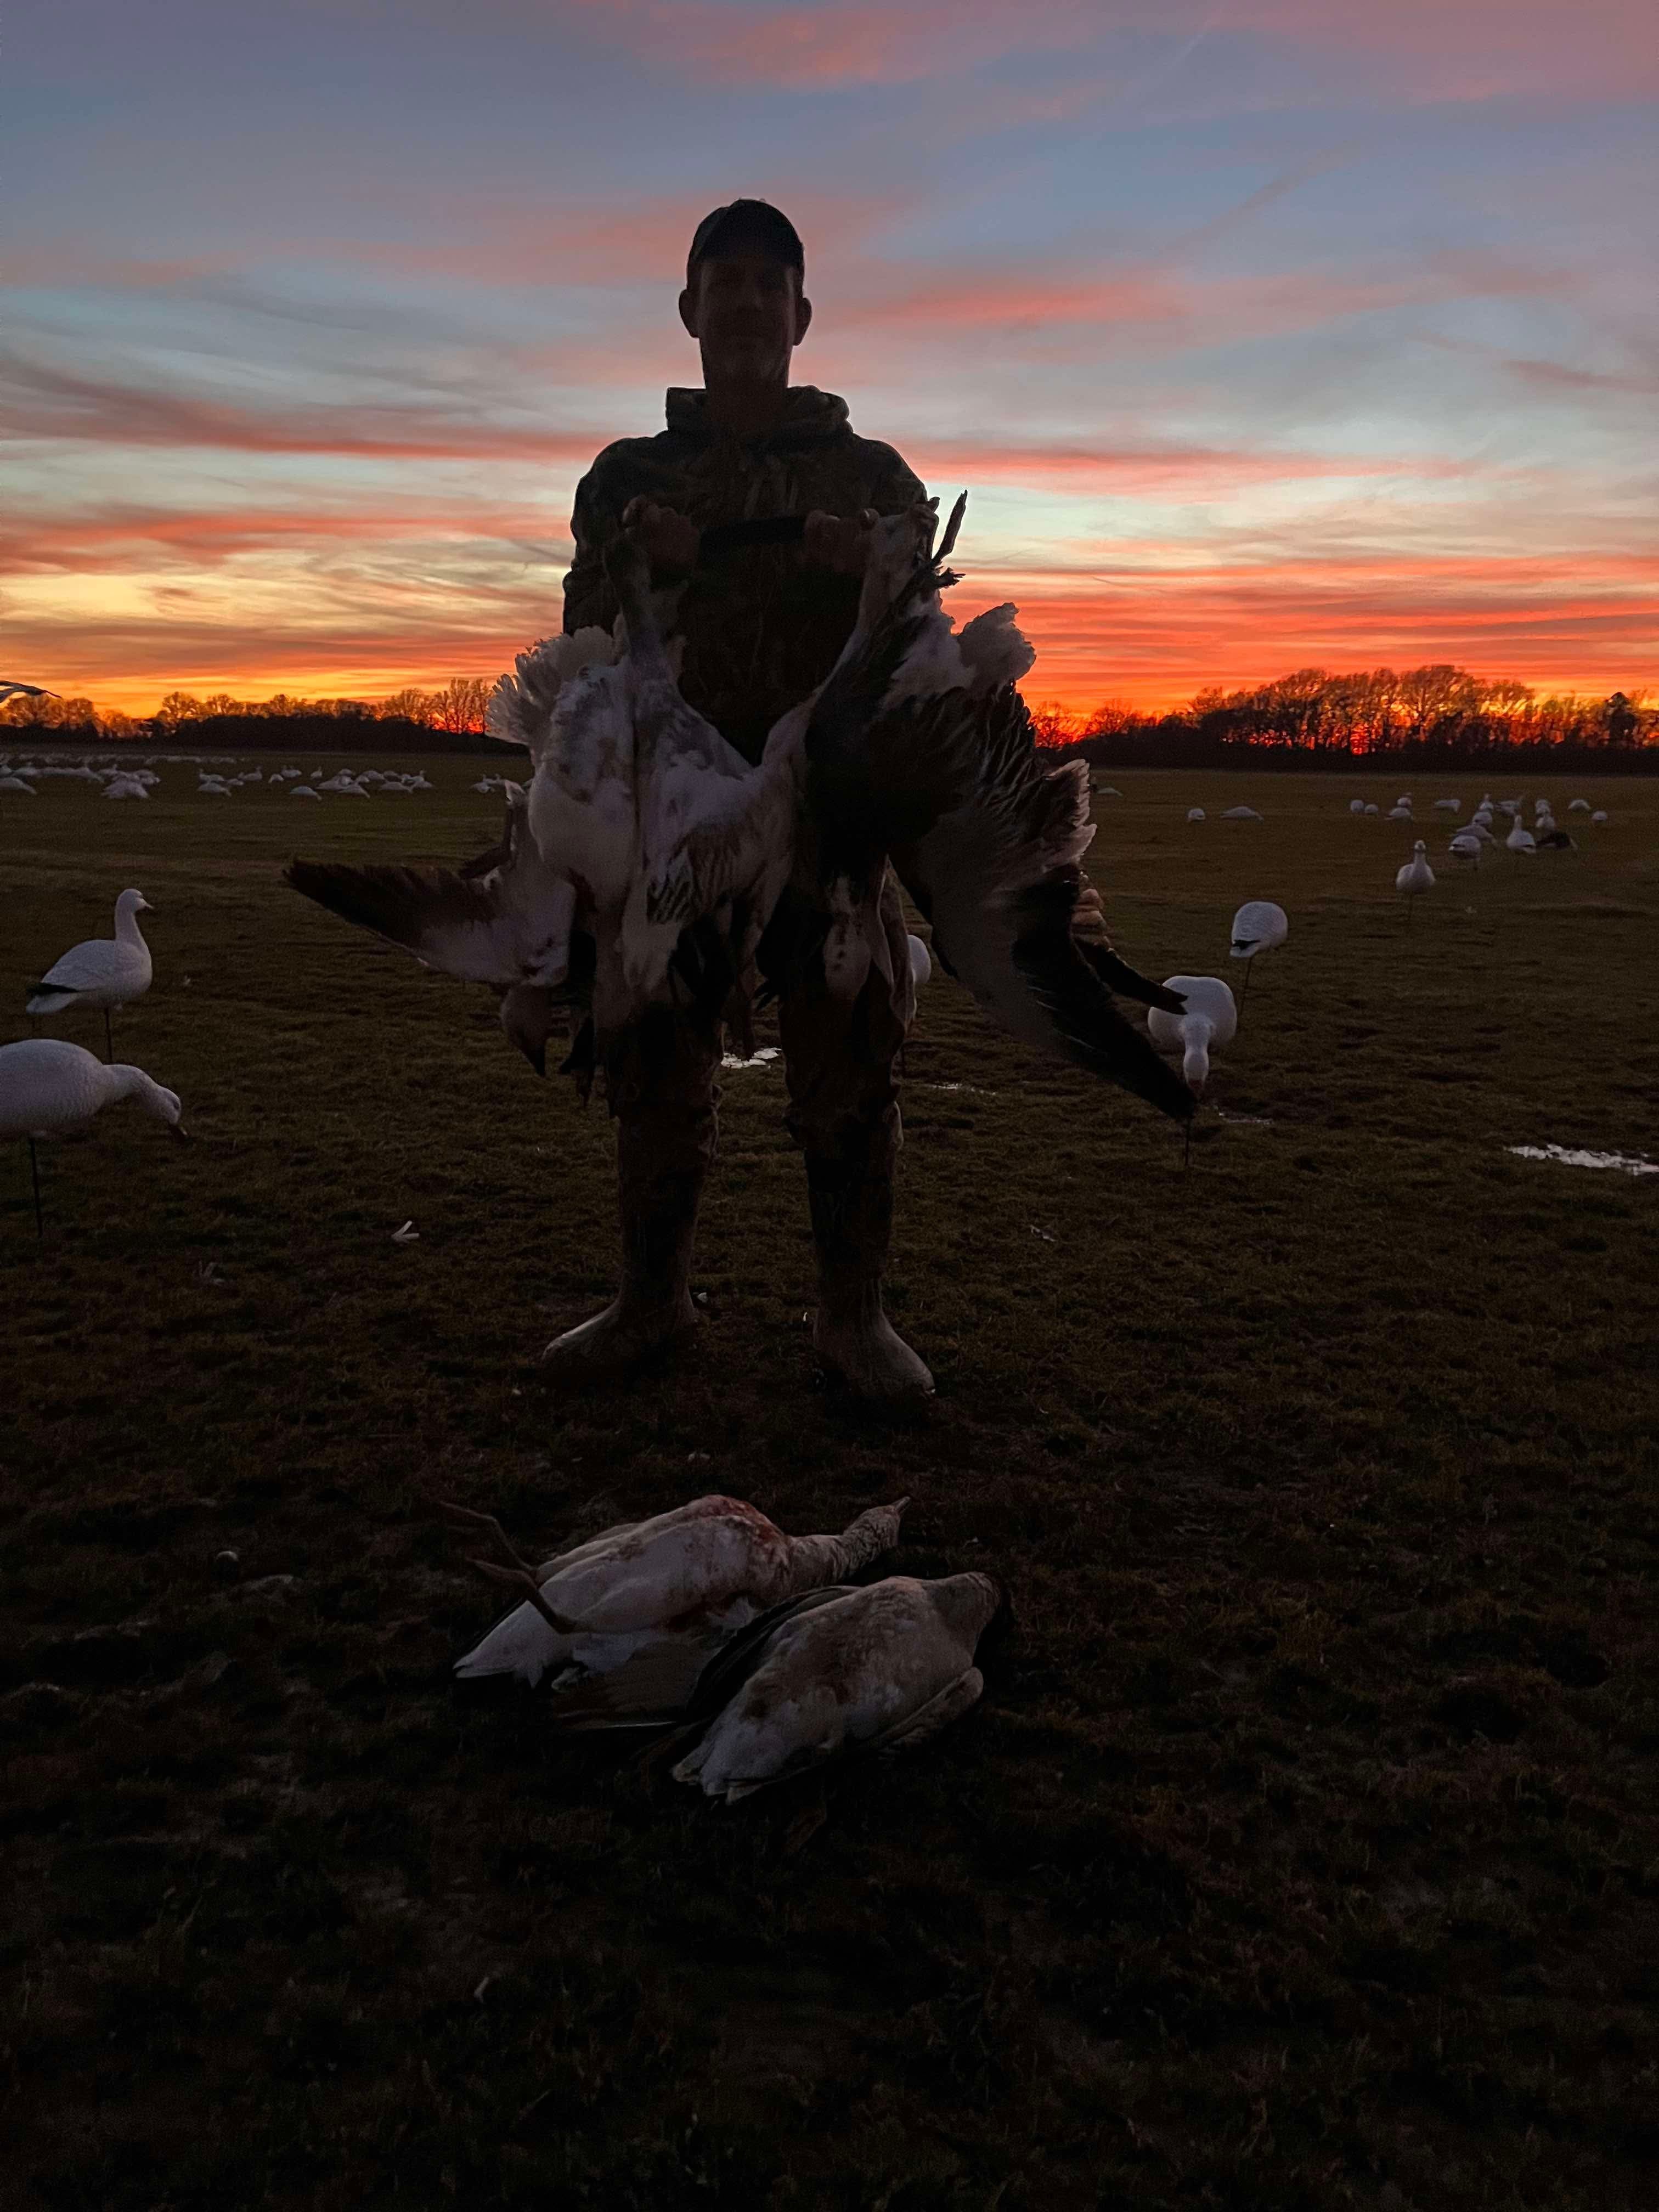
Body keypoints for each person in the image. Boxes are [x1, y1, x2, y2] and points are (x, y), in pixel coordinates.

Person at [554, 198, 1109, 1402]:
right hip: (679, 820)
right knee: (650, 1051)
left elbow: (931, 645)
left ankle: (852, 1319)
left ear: (804, 314)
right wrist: (632, 558)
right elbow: (581, 636)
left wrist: (875, 566)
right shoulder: (625, 477)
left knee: (853, 1065)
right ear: (689, 310)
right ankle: (650, 1304)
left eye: (772, 284)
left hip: (829, 820)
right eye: (727, 281)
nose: (749, 302)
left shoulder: (872, 475)